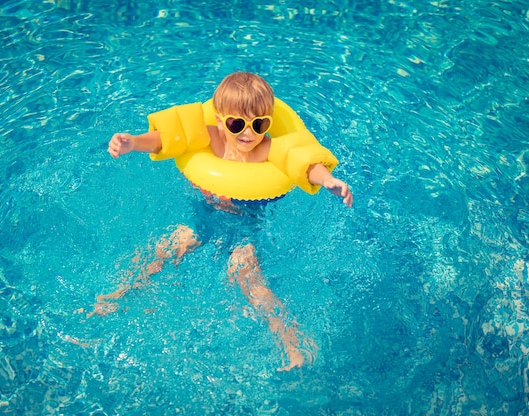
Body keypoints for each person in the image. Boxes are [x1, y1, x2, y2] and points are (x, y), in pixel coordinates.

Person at [101, 72, 353, 372]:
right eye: (237, 124)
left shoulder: (267, 150)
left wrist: (327, 180)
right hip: (206, 213)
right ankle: (117, 294)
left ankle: (293, 345)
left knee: (246, 273)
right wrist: (133, 143)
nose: (248, 133)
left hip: (247, 220)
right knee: (170, 245)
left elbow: (302, 161)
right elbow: (167, 138)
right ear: (220, 121)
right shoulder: (210, 137)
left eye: (259, 124)